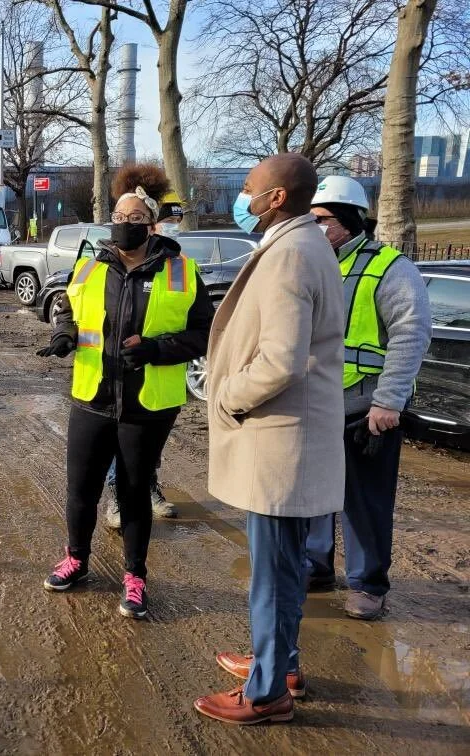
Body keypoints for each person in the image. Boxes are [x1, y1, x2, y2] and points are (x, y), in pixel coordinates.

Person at [194, 153, 345, 726]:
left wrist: (226, 394)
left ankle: (266, 693)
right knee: (280, 568)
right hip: (287, 440)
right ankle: (277, 663)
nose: (244, 196)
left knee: (274, 573)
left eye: (251, 187)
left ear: (277, 198)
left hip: (280, 442)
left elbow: (282, 361)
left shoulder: (292, 255)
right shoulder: (301, 244)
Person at [37, 163, 213, 619]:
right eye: (119, 214)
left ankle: (135, 577)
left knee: (134, 494)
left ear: (152, 224)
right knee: (81, 489)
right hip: (91, 397)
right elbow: (67, 308)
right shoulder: (93, 266)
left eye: (136, 218)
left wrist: (157, 349)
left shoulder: (182, 271)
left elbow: (204, 334)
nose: (125, 223)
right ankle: (76, 560)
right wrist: (63, 333)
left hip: (147, 405)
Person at [304, 176, 431, 620]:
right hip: (317, 406)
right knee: (315, 496)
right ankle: (316, 567)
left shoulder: (390, 267)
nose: (313, 227)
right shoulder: (311, 263)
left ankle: (367, 584)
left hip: (366, 409)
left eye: (321, 219)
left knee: (365, 503)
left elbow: (411, 335)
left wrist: (389, 401)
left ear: (350, 220)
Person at [103, 190, 188, 525]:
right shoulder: (107, 262)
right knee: (117, 443)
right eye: (169, 221)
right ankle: (117, 497)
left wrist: (157, 348)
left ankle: (149, 487)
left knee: (148, 449)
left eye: (176, 222)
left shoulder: (177, 266)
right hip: (113, 376)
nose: (173, 227)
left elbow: (195, 327)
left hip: (156, 379)